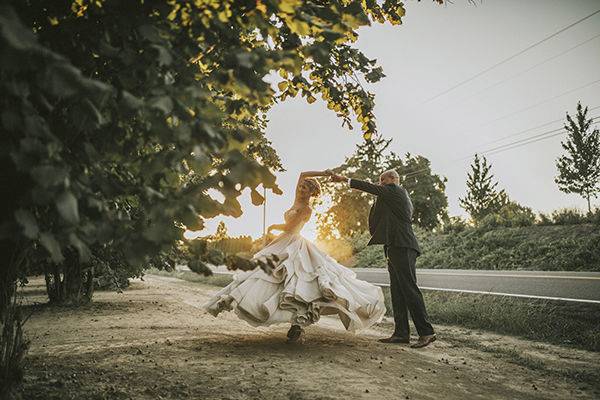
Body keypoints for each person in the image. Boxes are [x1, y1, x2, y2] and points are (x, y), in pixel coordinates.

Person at [203, 170, 386, 343]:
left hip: (293, 243)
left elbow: (290, 228)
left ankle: (297, 325)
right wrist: (325, 174)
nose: (300, 189)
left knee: (296, 284)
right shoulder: (296, 199)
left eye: (304, 188)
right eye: (300, 187)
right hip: (281, 242)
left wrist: (271, 228)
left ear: (311, 193)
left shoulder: (306, 209)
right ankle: (240, 302)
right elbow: (303, 174)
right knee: (264, 277)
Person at [330, 170, 436, 348]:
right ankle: (401, 333)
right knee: (397, 291)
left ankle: (427, 332)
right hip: (394, 245)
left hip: (403, 245)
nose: (380, 184)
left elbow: (369, 188)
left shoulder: (396, 190)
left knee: (409, 289)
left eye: (382, 180)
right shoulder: (390, 196)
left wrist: (344, 180)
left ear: (393, 180)